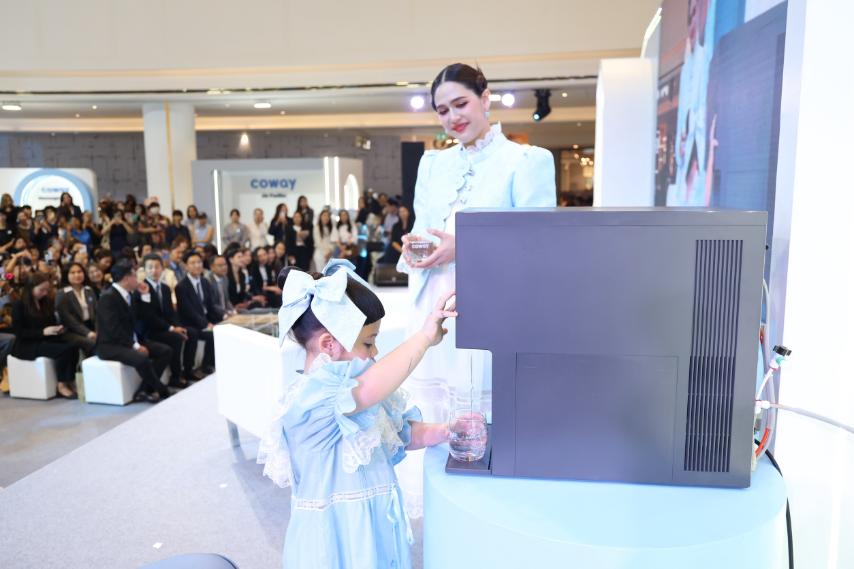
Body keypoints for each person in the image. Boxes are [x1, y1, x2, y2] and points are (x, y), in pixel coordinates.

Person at [258, 263, 454, 568]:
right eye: (368, 342)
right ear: (329, 344)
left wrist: (445, 431)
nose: (374, 352)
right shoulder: (314, 399)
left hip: (374, 528)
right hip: (334, 540)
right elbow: (372, 386)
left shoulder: (353, 393)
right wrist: (425, 336)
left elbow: (398, 435)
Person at [399, 63, 556, 423]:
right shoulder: (432, 164)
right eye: (442, 110)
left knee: (485, 418)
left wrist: (465, 247)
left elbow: (540, 244)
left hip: (492, 302)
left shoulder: (526, 161)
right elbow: (425, 227)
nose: (452, 117)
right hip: (433, 301)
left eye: (461, 104)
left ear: (485, 99)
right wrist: (414, 246)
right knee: (434, 418)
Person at [95, 260, 171, 403]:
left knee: (165, 351)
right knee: (141, 359)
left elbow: (143, 317)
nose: (138, 279)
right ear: (126, 278)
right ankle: (162, 390)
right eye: (135, 275)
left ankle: (144, 390)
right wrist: (135, 346)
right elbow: (114, 330)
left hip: (130, 339)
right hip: (110, 345)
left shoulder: (129, 294)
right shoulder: (108, 297)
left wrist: (145, 295)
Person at [135, 254, 199, 387]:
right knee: (176, 338)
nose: (154, 270)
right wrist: (172, 329)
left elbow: (171, 313)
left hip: (164, 327)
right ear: (144, 270)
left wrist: (178, 326)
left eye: (157, 267)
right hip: (150, 331)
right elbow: (149, 317)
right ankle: (175, 377)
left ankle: (188, 370)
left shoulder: (165, 288)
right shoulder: (141, 289)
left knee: (191, 332)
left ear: (162, 269)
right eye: (150, 267)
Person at [12, 272, 79, 398]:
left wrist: (57, 329)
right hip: (27, 344)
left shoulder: (45, 303)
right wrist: (42, 332)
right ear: (31, 288)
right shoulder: (19, 305)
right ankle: (61, 384)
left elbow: (50, 324)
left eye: (46, 290)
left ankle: (69, 379)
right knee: (64, 350)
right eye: (41, 290)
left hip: (45, 339)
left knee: (74, 345)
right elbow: (19, 332)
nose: (45, 293)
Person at [175, 250, 221, 374]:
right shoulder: (181, 287)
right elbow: (188, 311)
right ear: (186, 266)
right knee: (204, 334)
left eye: (199, 262)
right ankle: (189, 370)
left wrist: (223, 317)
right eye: (193, 263)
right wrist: (206, 325)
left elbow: (210, 306)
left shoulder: (205, 282)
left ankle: (209, 364)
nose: (197, 265)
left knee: (221, 328)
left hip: (204, 320)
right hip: (190, 323)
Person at [56, 262, 98, 356]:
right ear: (66, 275)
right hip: (71, 331)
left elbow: (97, 314)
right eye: (73, 272)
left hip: (89, 326)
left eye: (79, 272)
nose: (77, 275)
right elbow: (69, 320)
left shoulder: (89, 290)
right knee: (93, 343)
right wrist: (88, 333)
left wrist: (98, 330)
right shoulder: (62, 293)